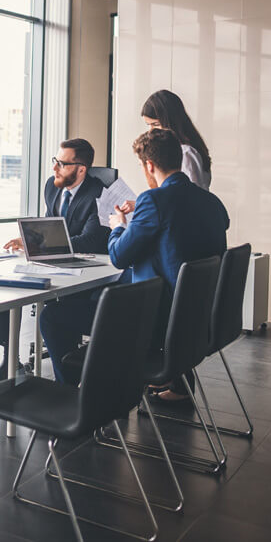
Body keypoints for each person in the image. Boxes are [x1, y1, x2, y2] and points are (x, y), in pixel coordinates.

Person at [41, 128, 229, 395]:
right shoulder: (212, 202)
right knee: (95, 298)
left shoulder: (153, 200)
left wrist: (118, 226)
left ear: (149, 165)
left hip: (154, 321)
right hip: (196, 319)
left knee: (53, 316)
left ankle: (72, 397)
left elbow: (118, 257)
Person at [0, 138, 110, 385]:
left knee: (56, 313)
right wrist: (30, 239)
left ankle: (69, 377)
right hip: (53, 261)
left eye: (62, 163)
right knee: (11, 287)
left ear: (81, 169)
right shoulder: (53, 186)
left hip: (86, 269)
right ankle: (10, 363)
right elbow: (51, 225)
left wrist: (41, 244)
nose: (55, 168)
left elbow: (91, 240)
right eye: (55, 161)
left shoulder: (99, 194)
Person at [141, 90, 212, 190]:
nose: (151, 131)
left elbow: (191, 200)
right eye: (148, 125)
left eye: (156, 124)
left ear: (171, 122)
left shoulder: (186, 153)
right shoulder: (175, 150)